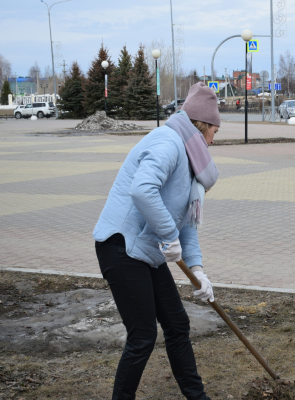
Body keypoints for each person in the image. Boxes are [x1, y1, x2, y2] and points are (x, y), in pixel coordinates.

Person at [93, 81, 220, 400]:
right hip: (120, 246)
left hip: (146, 252)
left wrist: (198, 269)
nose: (215, 140)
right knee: (143, 335)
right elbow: (142, 190)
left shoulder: (190, 160)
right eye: (215, 131)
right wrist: (167, 235)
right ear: (203, 125)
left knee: (177, 324)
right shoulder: (169, 142)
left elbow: (185, 223)